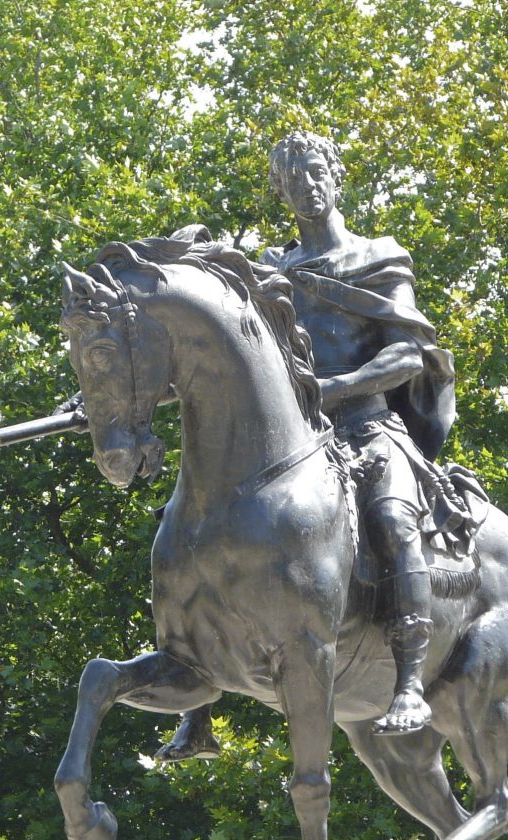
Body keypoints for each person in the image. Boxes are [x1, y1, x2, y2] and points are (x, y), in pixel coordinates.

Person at [159, 130, 486, 758]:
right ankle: (197, 688)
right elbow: (229, 363)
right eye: (292, 179)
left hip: (367, 427)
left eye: (315, 172)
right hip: (295, 441)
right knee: (193, 526)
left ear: (335, 176)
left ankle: (411, 682)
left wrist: (339, 385)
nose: (307, 186)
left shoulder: (378, 256)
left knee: (392, 517)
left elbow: (407, 353)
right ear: (281, 193)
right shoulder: (275, 274)